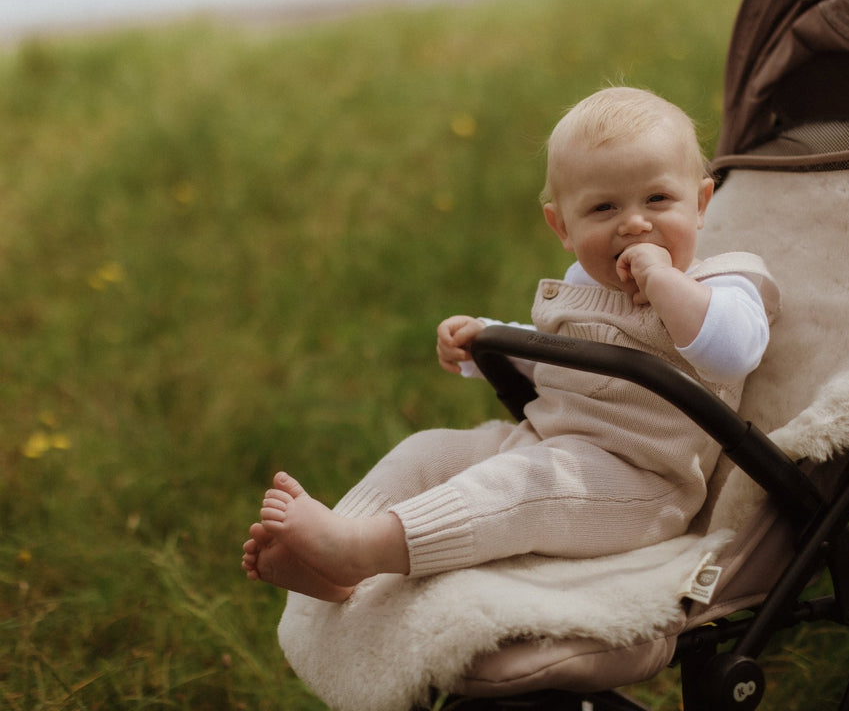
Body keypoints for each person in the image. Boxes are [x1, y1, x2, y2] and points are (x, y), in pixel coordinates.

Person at [241, 86, 780, 603]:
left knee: (514, 489)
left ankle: (360, 551)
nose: (635, 224)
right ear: (562, 227)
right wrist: (487, 340)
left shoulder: (725, 282)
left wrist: (664, 283)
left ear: (702, 203)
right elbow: (563, 353)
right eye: (603, 210)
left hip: (638, 487)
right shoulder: (583, 289)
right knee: (427, 451)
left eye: (658, 199)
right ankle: (333, 553)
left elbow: (732, 354)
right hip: (546, 444)